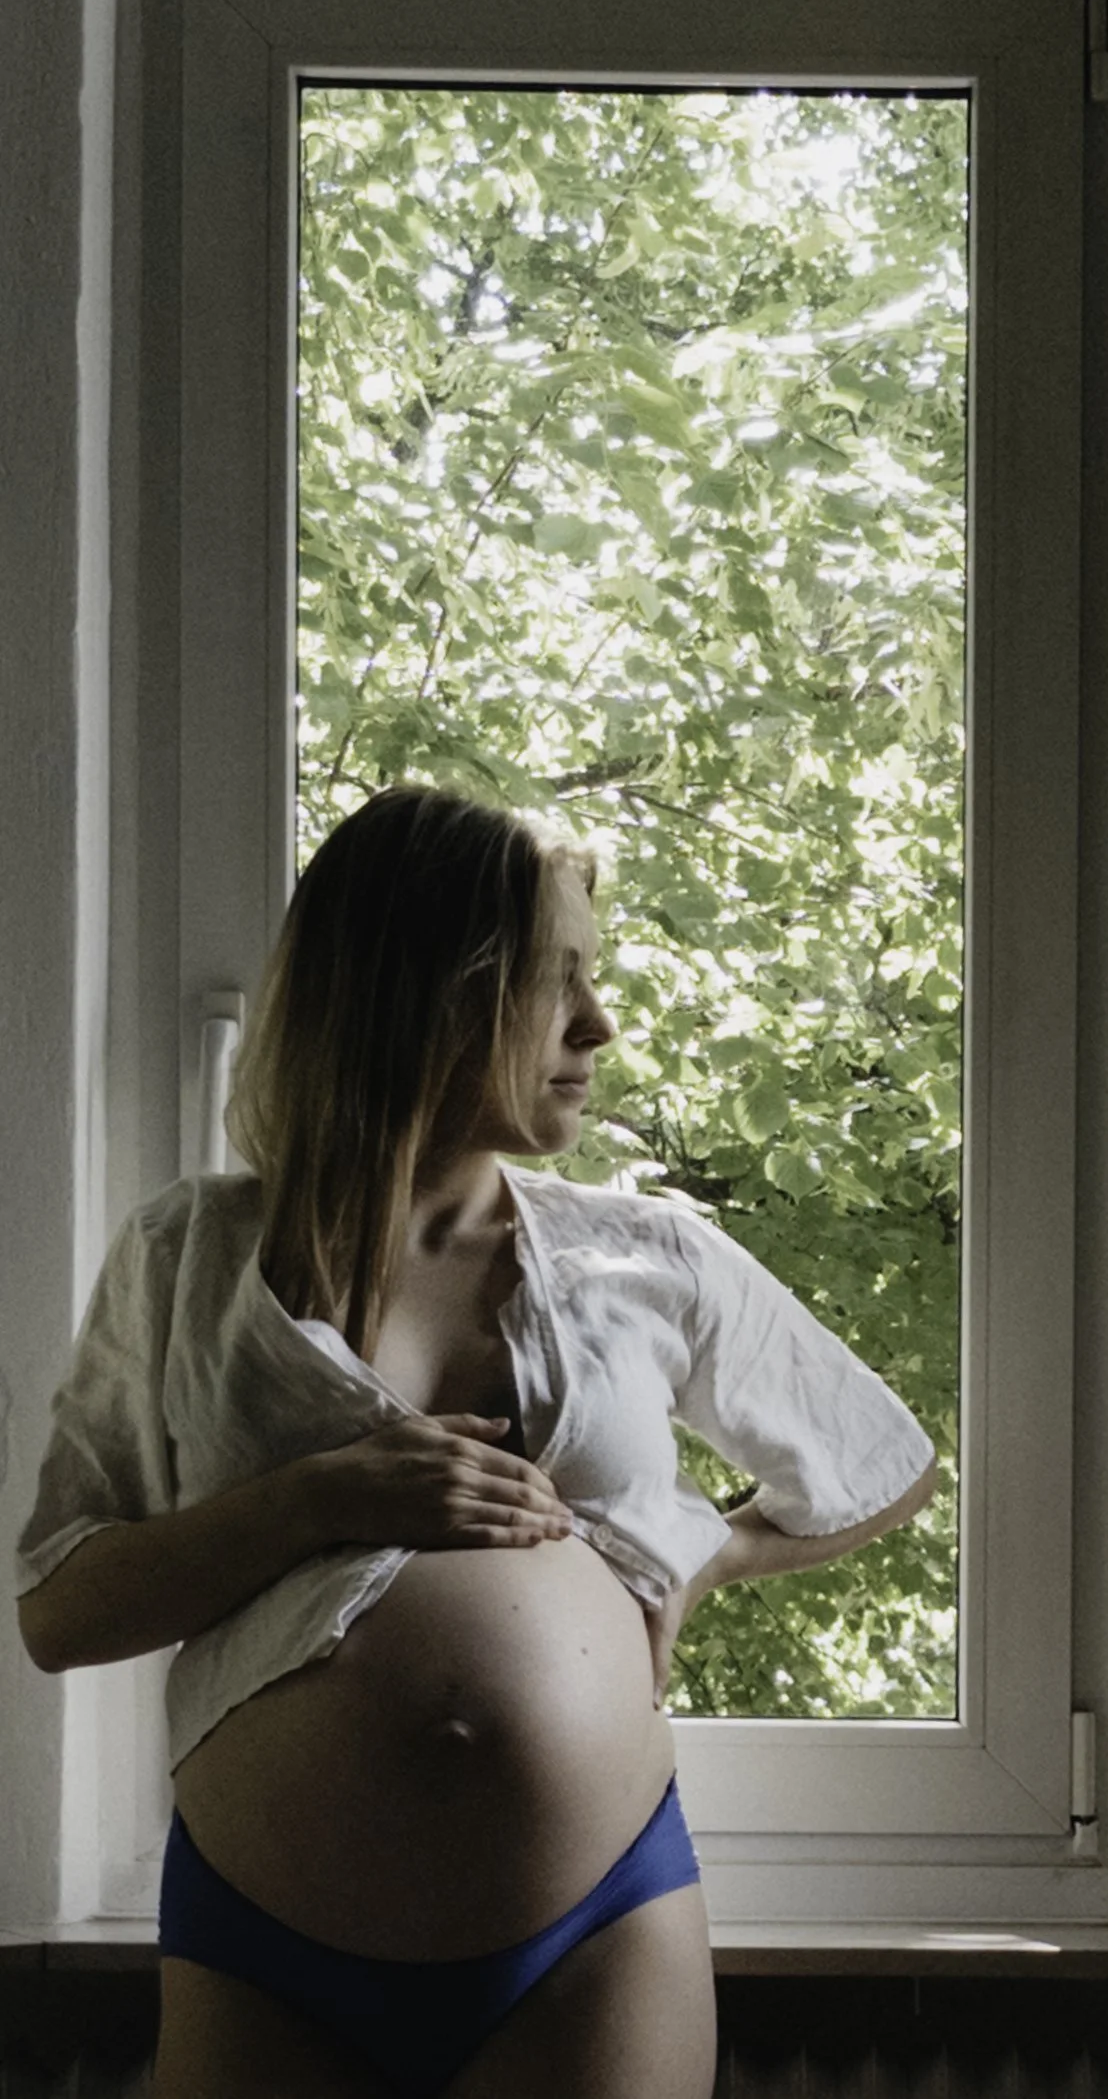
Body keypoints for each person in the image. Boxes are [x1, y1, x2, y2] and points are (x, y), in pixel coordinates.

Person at [13, 785, 938, 2099]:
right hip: (260, 1947)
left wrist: (697, 1554)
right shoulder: (189, 1256)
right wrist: (309, 1502)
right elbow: (59, 1611)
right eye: (554, 986)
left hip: (590, 1941)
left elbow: (881, 1464)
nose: (598, 1027)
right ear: (430, 993)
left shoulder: (646, 1254)